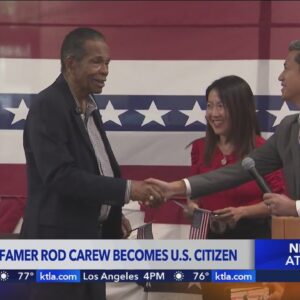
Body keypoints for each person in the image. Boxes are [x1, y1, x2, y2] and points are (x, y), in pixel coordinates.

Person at [147, 40, 300, 300]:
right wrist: (175, 188)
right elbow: (238, 171)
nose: (280, 76)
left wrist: (295, 208)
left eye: (286, 68)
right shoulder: (288, 128)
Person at [20, 27, 163, 300]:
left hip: (90, 246)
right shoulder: (48, 104)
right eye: (96, 62)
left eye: (107, 62)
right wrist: (129, 189)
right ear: (71, 64)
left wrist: (109, 212)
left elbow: (93, 168)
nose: (105, 70)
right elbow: (60, 176)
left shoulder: (89, 106)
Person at [186, 75, 285, 239]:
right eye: (209, 106)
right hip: (211, 238)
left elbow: (280, 202)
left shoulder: (264, 150)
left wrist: (242, 212)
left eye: (221, 106)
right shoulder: (199, 147)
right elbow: (196, 195)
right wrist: (192, 207)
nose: (213, 113)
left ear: (240, 109)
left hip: (254, 237)